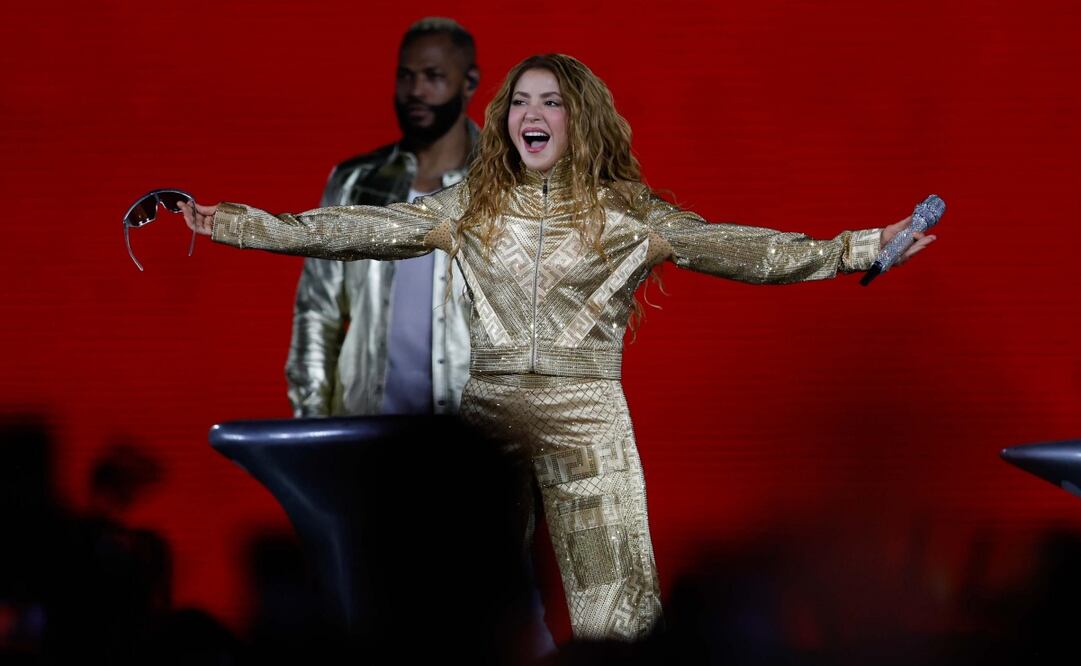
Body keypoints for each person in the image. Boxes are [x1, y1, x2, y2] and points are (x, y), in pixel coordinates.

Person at [181, 53, 935, 642]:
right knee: (464, 603)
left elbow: (746, 251)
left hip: (587, 418)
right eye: (520, 101)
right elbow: (347, 232)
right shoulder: (468, 206)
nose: (531, 114)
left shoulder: (628, 215)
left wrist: (862, 247)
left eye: (551, 102)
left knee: (621, 613)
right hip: (490, 424)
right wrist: (228, 222)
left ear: (582, 121)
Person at [287, 17, 478, 418]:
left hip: (477, 449)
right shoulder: (355, 182)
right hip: (366, 438)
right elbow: (317, 311)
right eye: (405, 76)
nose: (416, 91)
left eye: (433, 76)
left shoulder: (503, 184)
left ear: (469, 83)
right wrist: (312, 430)